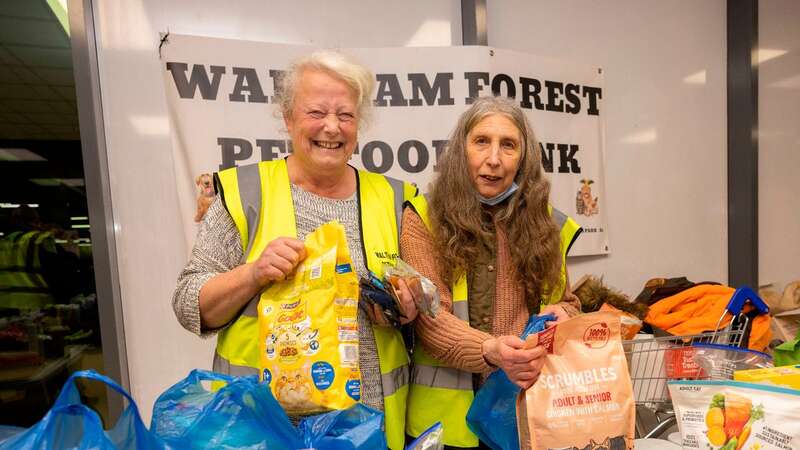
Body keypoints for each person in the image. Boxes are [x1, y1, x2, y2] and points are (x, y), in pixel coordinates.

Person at [172, 51, 418, 450]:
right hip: (263, 429)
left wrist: (406, 308)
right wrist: (253, 273)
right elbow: (188, 304)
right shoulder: (243, 191)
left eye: (346, 115)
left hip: (368, 428)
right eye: (316, 112)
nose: (332, 127)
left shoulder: (395, 197)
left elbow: (421, 297)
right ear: (287, 117)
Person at [401, 96, 583, 448]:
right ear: (460, 151)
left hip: (523, 417)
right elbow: (429, 318)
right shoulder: (423, 217)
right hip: (444, 429)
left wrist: (565, 315)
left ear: (524, 159)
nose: (494, 159)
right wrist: (492, 350)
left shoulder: (550, 225)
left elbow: (567, 303)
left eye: (509, 145)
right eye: (481, 141)